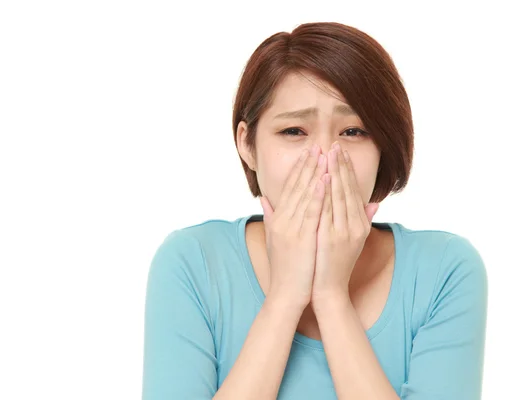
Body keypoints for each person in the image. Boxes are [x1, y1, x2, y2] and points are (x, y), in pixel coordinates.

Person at [141, 22, 488, 400]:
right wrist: (286, 296)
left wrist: (331, 296)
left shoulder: (446, 270)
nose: (325, 157)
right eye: (294, 131)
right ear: (247, 144)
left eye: (353, 131)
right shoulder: (192, 262)